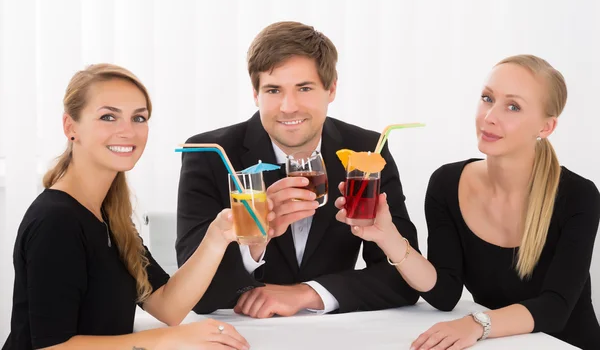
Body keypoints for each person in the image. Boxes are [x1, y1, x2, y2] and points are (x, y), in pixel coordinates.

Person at [334, 55, 600, 350]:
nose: (490, 116)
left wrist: (476, 324)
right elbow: (445, 291)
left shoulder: (578, 196)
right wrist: (388, 238)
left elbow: (555, 307)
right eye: (488, 98)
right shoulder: (448, 183)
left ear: (546, 127)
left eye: (513, 106)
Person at [176, 21, 420, 318]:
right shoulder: (209, 154)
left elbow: (404, 278)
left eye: (304, 88)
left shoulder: (367, 150)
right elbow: (195, 297)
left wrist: (309, 293)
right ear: (256, 94)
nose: (288, 107)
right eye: (274, 90)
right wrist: (255, 242)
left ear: (331, 89)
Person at [3, 64, 254, 350]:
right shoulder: (57, 221)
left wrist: (217, 237)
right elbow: (52, 347)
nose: (128, 131)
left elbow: (167, 305)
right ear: (70, 127)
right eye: (108, 117)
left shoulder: (108, 215)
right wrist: (170, 340)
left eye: (139, 118)